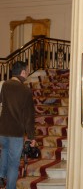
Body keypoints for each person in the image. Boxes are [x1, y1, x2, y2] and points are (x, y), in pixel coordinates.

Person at [0, 61, 36, 189]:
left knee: (4, 150)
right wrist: (31, 137)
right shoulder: (25, 90)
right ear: (22, 72)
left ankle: (0, 176)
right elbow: (29, 117)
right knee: (14, 164)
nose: (27, 74)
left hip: (3, 130)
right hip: (16, 132)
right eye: (26, 71)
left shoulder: (5, 85)